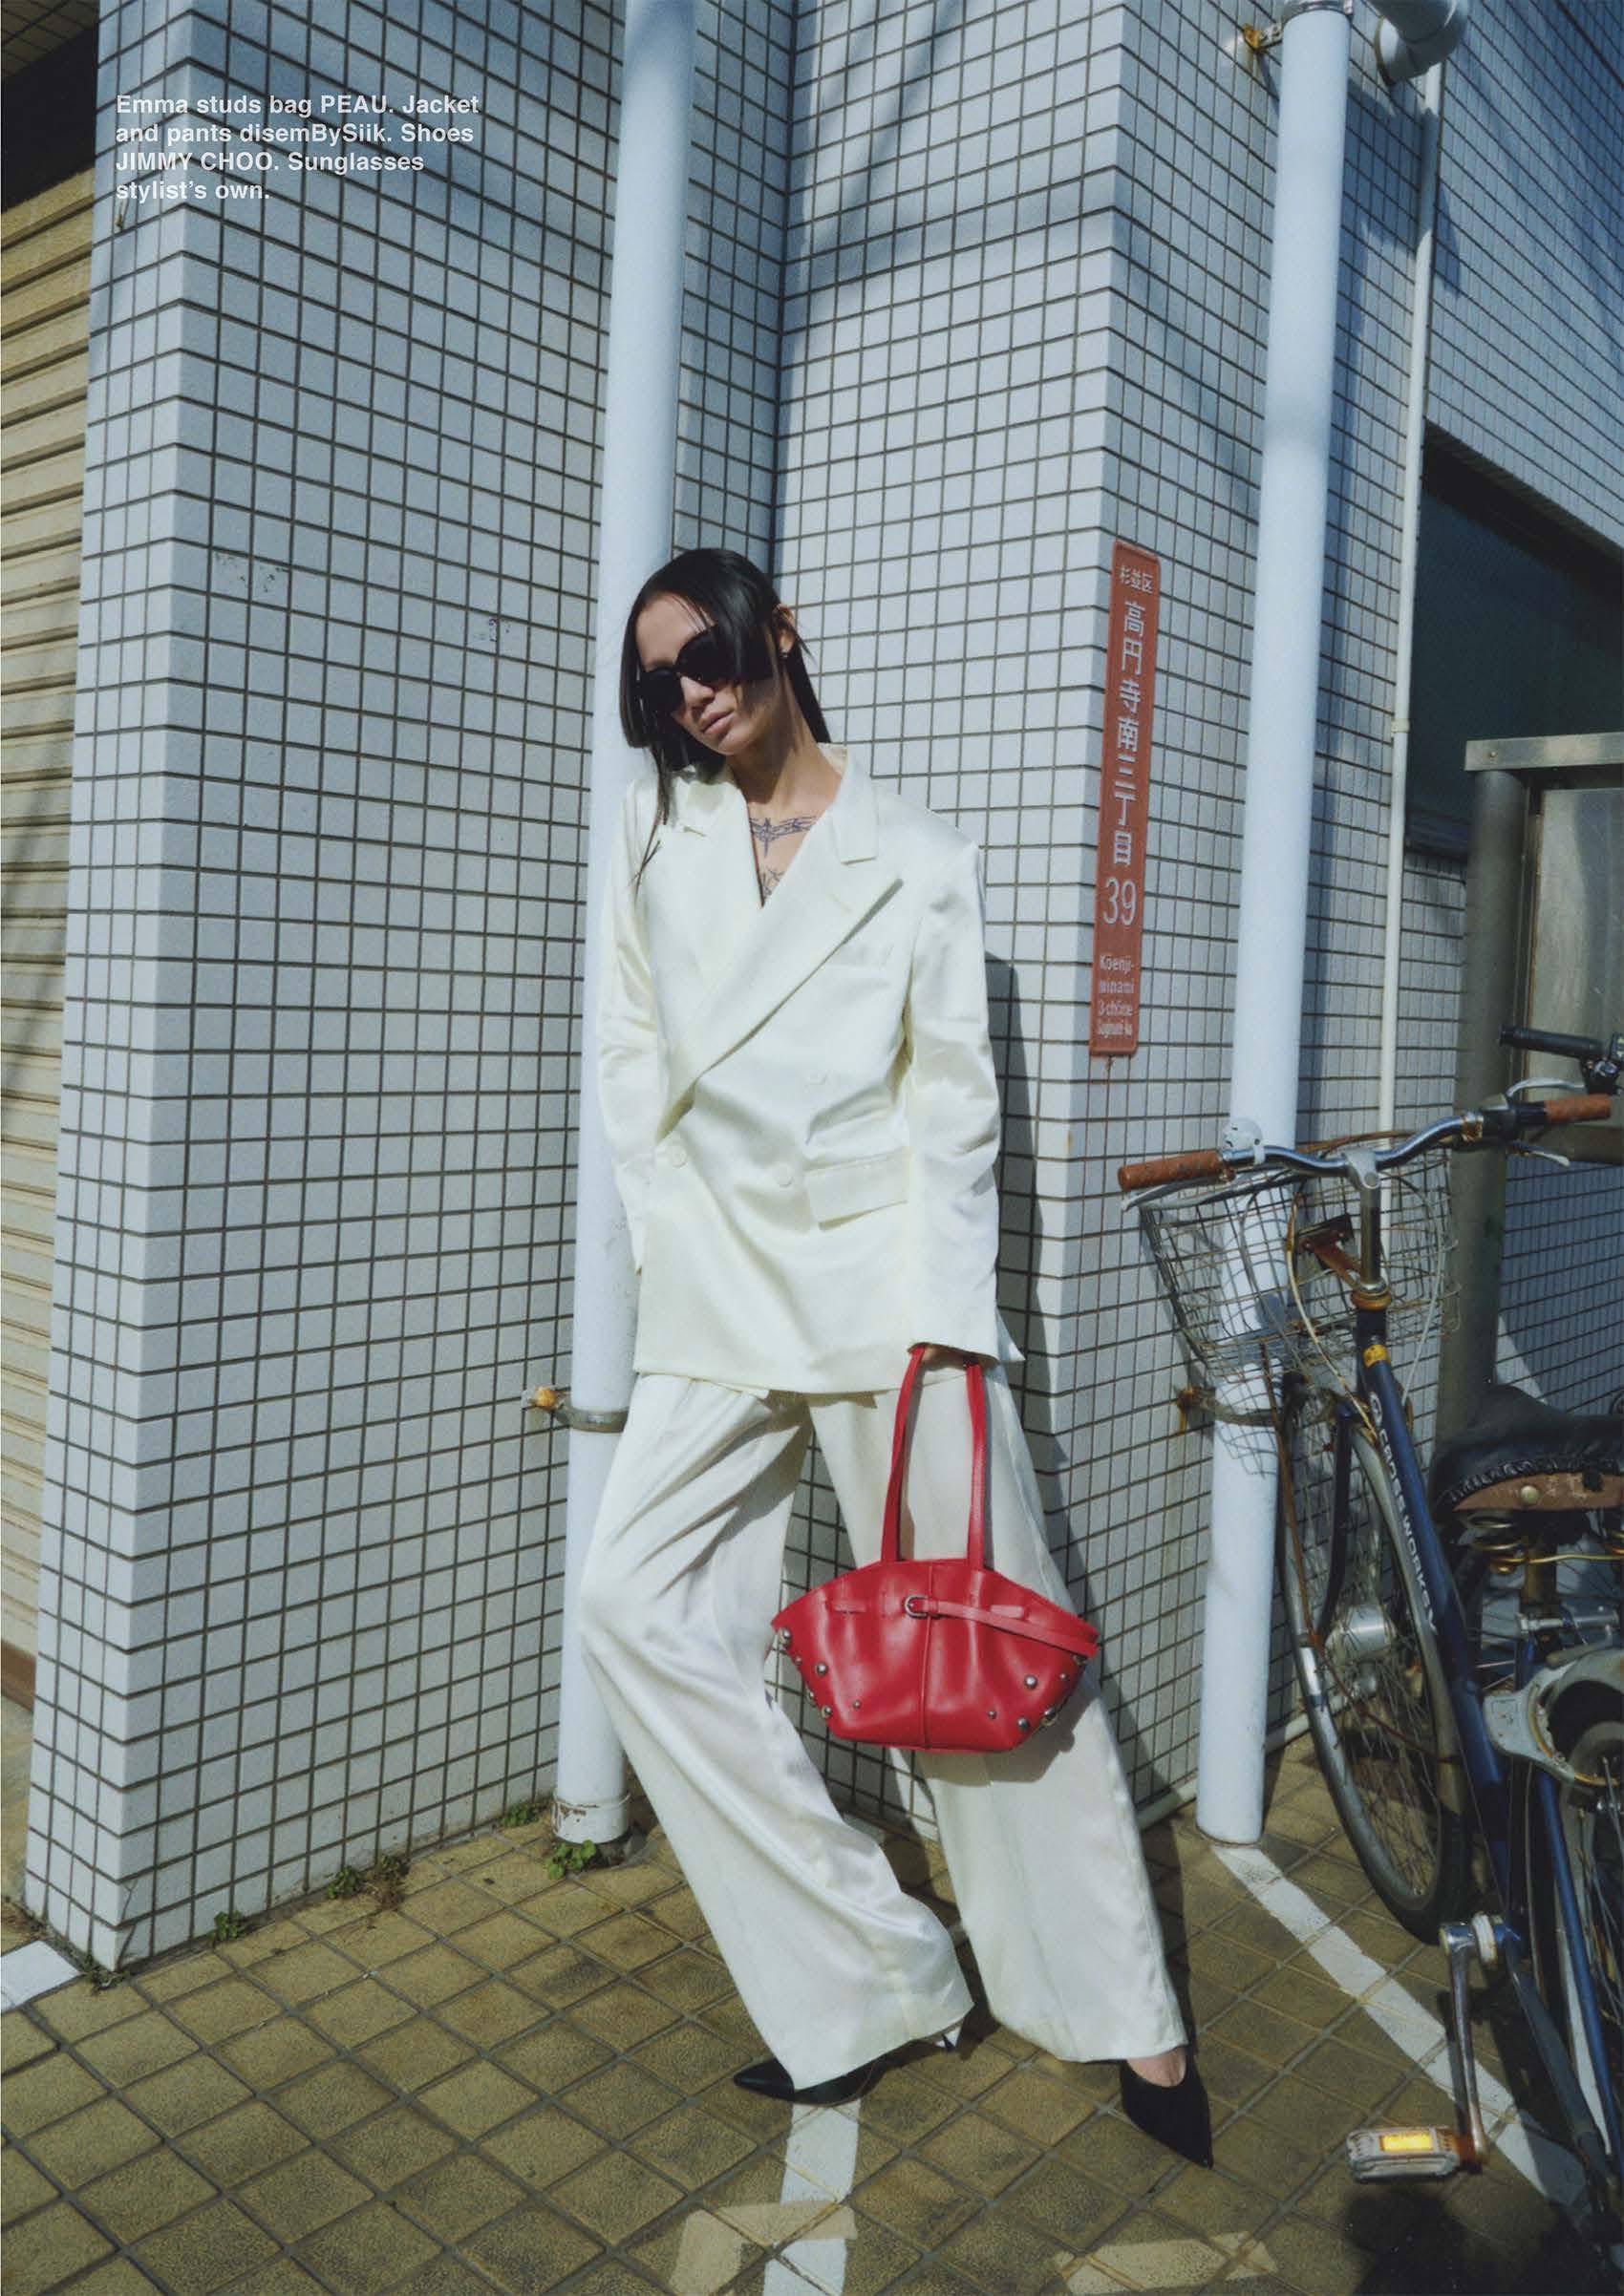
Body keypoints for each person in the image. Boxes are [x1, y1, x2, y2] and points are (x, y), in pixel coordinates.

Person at [575, 546, 1210, 2164]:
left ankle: (1127, 2016)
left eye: (707, 652)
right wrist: (665, 1233)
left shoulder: (917, 855)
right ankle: (870, 1972)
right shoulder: (659, 834)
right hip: (718, 1291)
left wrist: (944, 1322)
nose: (691, 693)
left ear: (777, 635)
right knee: (631, 1604)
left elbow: (952, 1107)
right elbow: (632, 1046)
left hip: (880, 1298)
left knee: (982, 1646)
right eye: (658, 678)